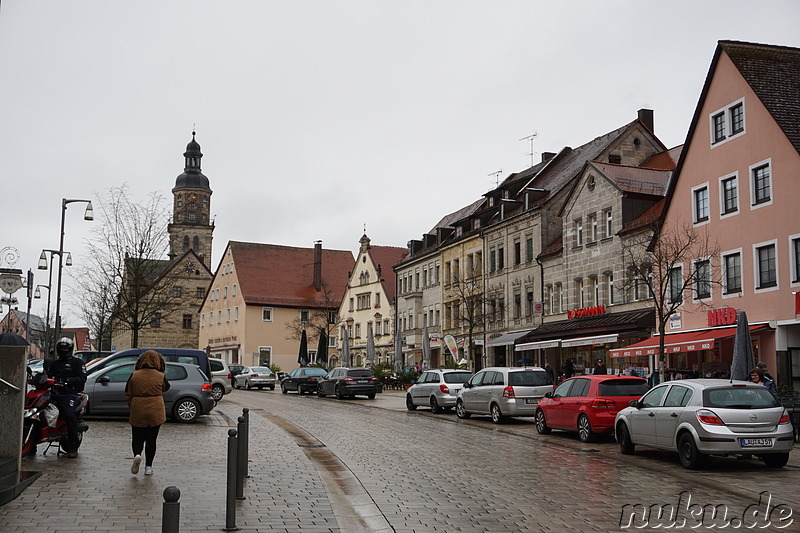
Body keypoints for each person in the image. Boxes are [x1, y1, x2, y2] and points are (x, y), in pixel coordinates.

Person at [125, 350, 170, 476]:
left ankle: (137, 454)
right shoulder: (160, 375)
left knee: (137, 437)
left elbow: (127, 392)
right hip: (156, 409)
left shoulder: (134, 375)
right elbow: (166, 387)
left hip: (138, 408)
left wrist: (132, 404)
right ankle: (148, 467)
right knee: (152, 439)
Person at [47, 337, 87, 458]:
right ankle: (32, 445)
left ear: (70, 349)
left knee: (70, 416)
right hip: (54, 394)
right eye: (61, 349)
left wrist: (67, 381)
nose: (63, 351)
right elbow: (48, 376)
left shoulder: (78, 363)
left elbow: (82, 378)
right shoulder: (54, 364)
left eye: (65, 349)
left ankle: (73, 445)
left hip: (69, 394)